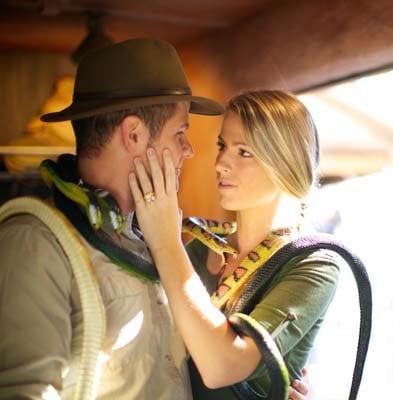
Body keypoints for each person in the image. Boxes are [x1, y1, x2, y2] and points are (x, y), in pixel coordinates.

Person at [0, 39, 308, 399]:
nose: (190, 149)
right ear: (133, 134)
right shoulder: (35, 244)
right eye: (180, 133)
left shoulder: (156, 241)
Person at [128, 90, 341, 399]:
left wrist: (164, 242)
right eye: (222, 145)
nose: (220, 164)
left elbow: (223, 367)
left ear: (284, 162)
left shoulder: (313, 263)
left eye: (244, 152)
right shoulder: (200, 249)